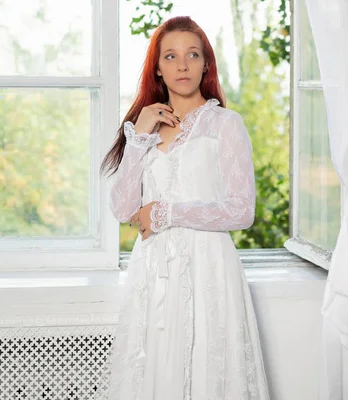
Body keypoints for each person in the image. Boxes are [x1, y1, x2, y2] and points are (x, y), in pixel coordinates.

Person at [95, 16, 270, 399]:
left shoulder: (225, 124)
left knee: (209, 369)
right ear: (157, 68)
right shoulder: (146, 129)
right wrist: (139, 137)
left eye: (192, 54)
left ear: (206, 63)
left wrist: (163, 213)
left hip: (210, 269)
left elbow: (242, 211)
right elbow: (123, 207)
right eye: (171, 56)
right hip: (153, 272)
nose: (183, 65)